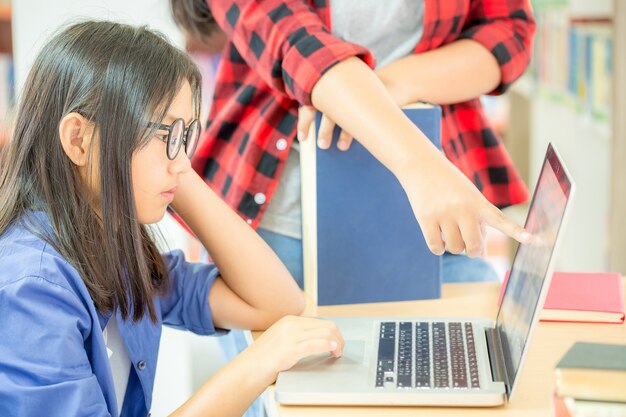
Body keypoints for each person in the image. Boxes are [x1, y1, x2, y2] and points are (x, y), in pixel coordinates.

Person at [0, 21, 345, 417]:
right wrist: (256, 363)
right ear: (79, 139)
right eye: (165, 134)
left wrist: (172, 166)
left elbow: (277, 303)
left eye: (185, 135)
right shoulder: (32, 287)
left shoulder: (118, 253)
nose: (183, 163)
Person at [170, 0, 535, 286]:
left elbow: (510, 31)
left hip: (436, 215)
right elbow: (299, 46)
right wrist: (423, 167)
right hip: (284, 221)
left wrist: (389, 83)